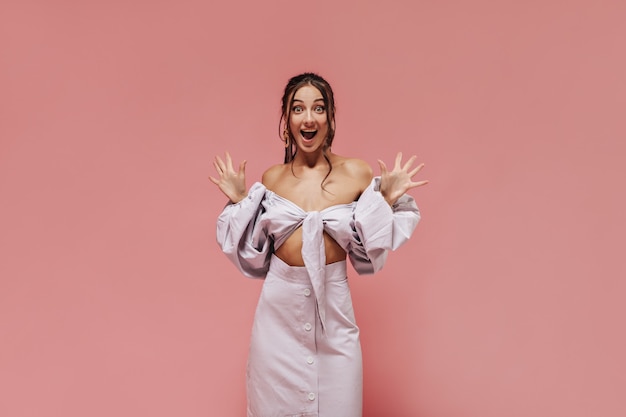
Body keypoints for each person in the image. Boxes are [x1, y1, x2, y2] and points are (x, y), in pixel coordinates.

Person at [209, 72, 427, 417]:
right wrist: (240, 203)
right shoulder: (271, 179)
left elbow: (367, 255)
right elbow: (255, 258)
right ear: (287, 121)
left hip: (334, 315)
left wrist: (384, 198)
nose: (308, 118)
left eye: (318, 108)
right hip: (277, 321)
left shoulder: (356, 173)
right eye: (298, 109)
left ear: (330, 119)